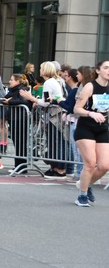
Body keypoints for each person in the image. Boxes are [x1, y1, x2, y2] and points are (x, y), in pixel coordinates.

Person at [20, 61, 68, 179]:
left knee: (55, 142)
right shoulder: (53, 82)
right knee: (55, 141)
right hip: (55, 114)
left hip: (54, 115)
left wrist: (31, 98)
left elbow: (46, 102)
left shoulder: (48, 83)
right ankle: (56, 167)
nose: (39, 70)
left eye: (41, 68)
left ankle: (59, 169)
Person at [72, 59, 109, 207]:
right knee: (90, 163)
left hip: (102, 128)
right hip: (85, 128)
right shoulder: (90, 86)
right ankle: (82, 195)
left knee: (105, 166)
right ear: (98, 70)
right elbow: (76, 109)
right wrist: (90, 114)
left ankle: (85, 184)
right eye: (106, 68)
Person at [1, 74, 33, 171]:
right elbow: (6, 98)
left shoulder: (22, 90)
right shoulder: (13, 91)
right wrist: (7, 100)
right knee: (17, 143)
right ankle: (19, 166)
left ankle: (21, 166)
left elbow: (23, 101)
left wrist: (10, 101)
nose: (9, 81)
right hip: (15, 118)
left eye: (12, 80)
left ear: (18, 81)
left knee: (20, 144)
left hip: (20, 119)